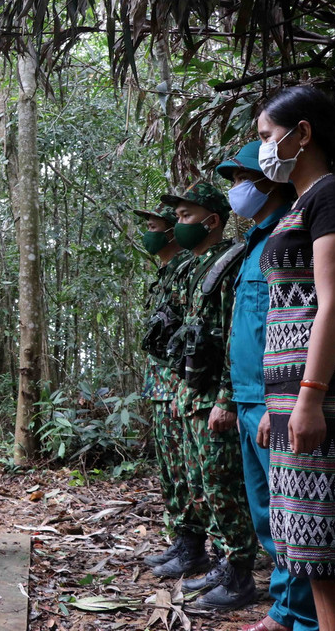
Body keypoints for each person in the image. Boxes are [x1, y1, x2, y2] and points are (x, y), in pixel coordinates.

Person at [256, 85, 335, 631]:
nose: (263, 148)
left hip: (324, 386)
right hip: (296, 391)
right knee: (307, 544)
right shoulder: (300, 204)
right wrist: (275, 403)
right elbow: (287, 311)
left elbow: (332, 304)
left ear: (302, 133)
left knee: (329, 544)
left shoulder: (334, 195)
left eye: (266, 136)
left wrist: (309, 398)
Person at [216, 142, 318, 631]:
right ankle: (285, 610)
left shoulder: (292, 235)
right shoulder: (257, 241)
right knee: (266, 516)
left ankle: (300, 614)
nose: (236, 189)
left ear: (269, 180)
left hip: (277, 396)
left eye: (242, 178)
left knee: (291, 517)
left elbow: (302, 320)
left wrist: (289, 399)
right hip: (248, 395)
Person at [156, 182, 258, 611]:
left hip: (214, 395)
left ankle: (239, 575)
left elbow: (234, 336)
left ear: (212, 220)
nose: (177, 226)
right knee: (200, 484)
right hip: (189, 392)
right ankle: (217, 560)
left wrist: (227, 397)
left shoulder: (231, 262)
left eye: (185, 217)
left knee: (222, 485)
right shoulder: (194, 267)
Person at [132, 203, 198, 569]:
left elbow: (188, 332)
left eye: (155, 226)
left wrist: (181, 383)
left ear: (172, 231)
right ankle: (182, 539)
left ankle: (194, 547)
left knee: (185, 467)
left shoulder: (186, 270)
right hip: (160, 383)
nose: (149, 233)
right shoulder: (165, 273)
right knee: (170, 467)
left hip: (178, 383)